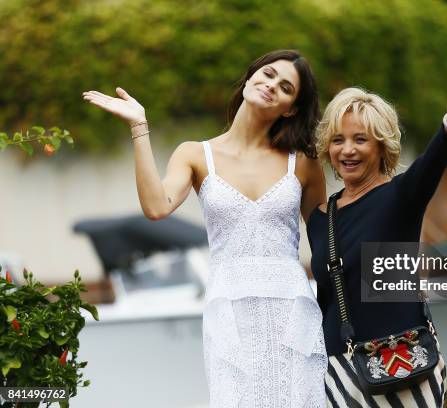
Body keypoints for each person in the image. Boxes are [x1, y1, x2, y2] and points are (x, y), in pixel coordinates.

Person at [82, 50, 328, 407]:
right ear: (251, 77)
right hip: (229, 310)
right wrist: (139, 127)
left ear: (291, 107)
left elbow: (327, 238)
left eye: (286, 86)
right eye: (269, 74)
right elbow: (156, 206)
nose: (272, 85)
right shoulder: (195, 154)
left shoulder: (303, 162)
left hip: (292, 310)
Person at [307, 67, 447, 407]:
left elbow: (433, 162)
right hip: (339, 376)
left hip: (407, 368)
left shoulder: (401, 196)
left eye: (360, 139)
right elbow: (326, 301)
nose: (347, 150)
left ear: (381, 147)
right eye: (338, 140)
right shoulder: (320, 219)